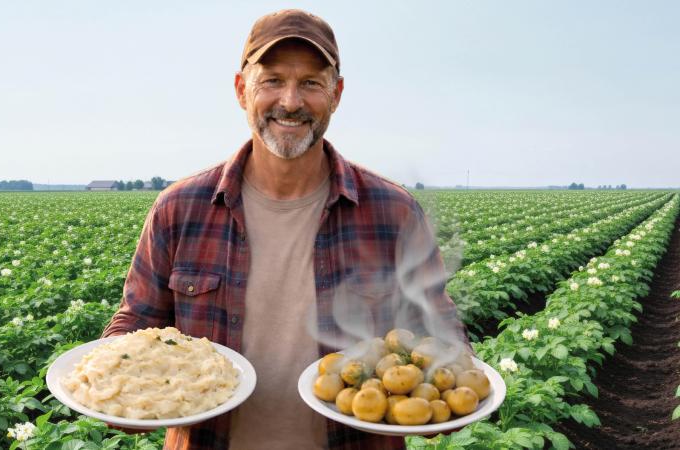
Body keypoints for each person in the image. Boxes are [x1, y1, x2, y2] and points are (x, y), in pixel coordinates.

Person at [102, 9, 470, 450]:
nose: (291, 102)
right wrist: (112, 384)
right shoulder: (180, 209)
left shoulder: (393, 213)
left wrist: (450, 388)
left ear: (337, 94)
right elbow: (136, 323)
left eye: (312, 83)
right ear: (242, 90)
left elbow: (440, 334)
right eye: (272, 80)